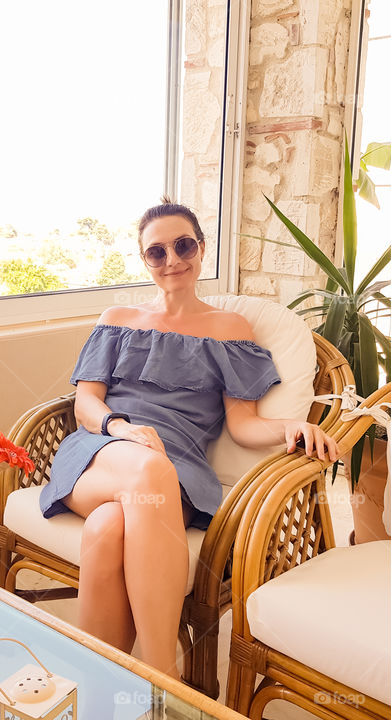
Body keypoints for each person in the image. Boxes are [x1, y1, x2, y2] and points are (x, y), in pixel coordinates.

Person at [38, 199, 340, 678]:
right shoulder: (117, 318)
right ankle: (166, 681)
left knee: (108, 528)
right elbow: (85, 405)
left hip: (176, 471)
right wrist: (123, 427)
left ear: (201, 249)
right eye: (157, 252)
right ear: (145, 261)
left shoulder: (229, 330)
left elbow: (242, 424)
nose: (172, 260)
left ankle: (99, 686)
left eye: (182, 246)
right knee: (146, 468)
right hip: (101, 453)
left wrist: (292, 427)